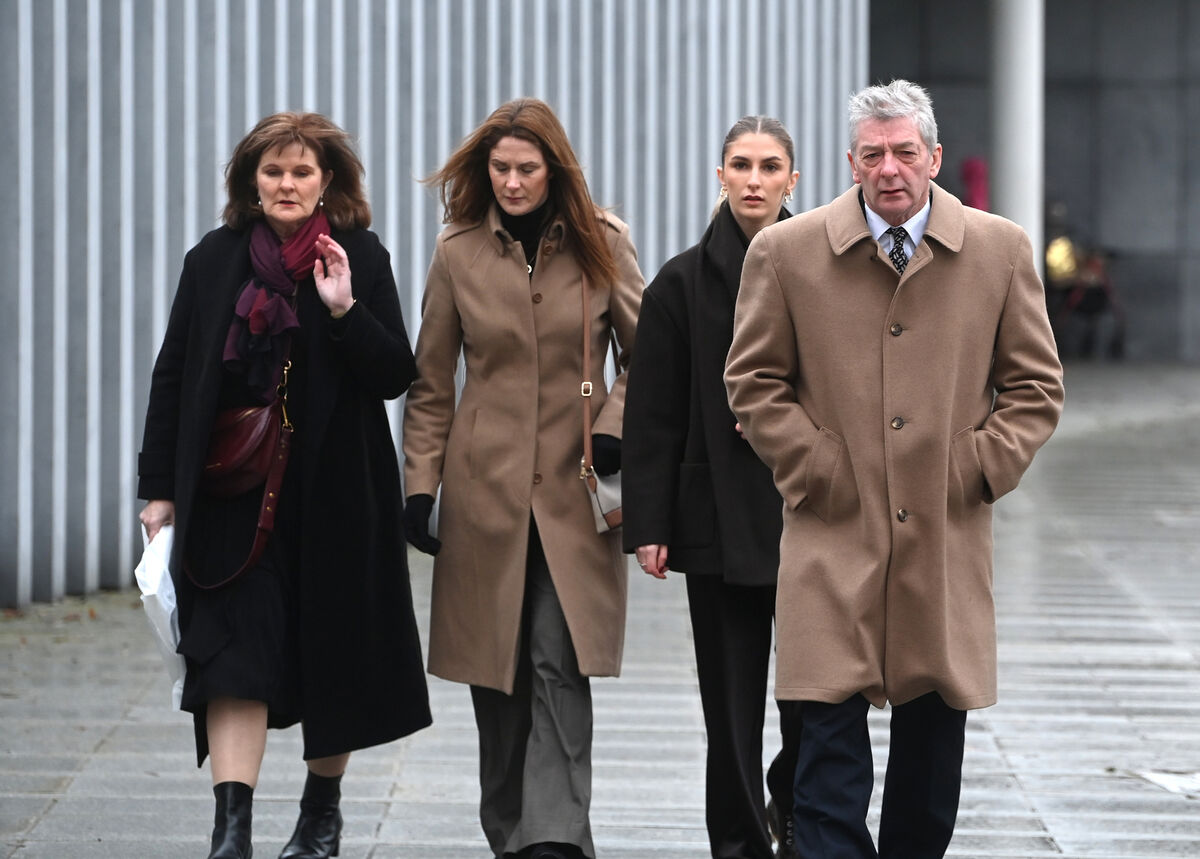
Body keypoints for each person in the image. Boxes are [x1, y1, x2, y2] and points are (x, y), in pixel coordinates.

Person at [724, 80, 1065, 858]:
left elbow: (1036, 386)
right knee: (828, 772)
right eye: (873, 154)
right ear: (850, 163)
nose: (890, 169)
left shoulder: (1001, 249)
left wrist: (975, 465)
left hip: (943, 542)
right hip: (830, 538)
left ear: (934, 157)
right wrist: (816, 466)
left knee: (928, 773)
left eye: (905, 151)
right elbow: (752, 380)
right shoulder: (784, 252)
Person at [137, 112, 431, 859]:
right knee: (230, 654)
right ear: (251, 182)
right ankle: (230, 831)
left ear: (326, 180)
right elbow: (173, 376)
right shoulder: (213, 260)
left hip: (338, 495)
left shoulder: (359, 254)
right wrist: (158, 488)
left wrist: (343, 309)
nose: (287, 184)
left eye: (302, 172)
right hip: (233, 496)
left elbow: (396, 372)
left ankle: (320, 817)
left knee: (336, 652)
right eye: (273, 172)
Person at [401, 97, 643, 859]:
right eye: (500, 168)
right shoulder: (458, 251)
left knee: (555, 660)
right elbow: (432, 381)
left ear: (554, 169)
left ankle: (555, 841)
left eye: (526, 168)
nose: (511, 182)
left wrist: (613, 431)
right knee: (495, 676)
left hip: (575, 495)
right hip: (485, 497)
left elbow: (649, 360)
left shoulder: (604, 243)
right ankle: (513, 831)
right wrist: (419, 485)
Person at [621, 116, 802, 859]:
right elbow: (652, 412)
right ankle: (735, 840)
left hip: (808, 513)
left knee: (814, 695)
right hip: (717, 514)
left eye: (769, 166)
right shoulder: (679, 282)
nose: (754, 179)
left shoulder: (828, 267)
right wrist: (649, 522)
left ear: (795, 178)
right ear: (719, 175)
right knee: (728, 703)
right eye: (740, 164)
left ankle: (795, 813)